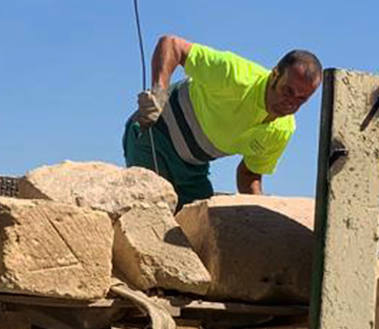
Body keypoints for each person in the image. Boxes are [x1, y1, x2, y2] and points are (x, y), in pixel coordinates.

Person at [123, 36, 323, 207]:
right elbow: (172, 45)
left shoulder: (282, 131)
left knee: (199, 227)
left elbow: (249, 174)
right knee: (155, 212)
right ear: (275, 74)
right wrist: (159, 91)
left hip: (192, 167)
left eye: (301, 99)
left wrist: (260, 208)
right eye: (288, 91)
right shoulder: (236, 75)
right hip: (153, 136)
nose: (291, 103)